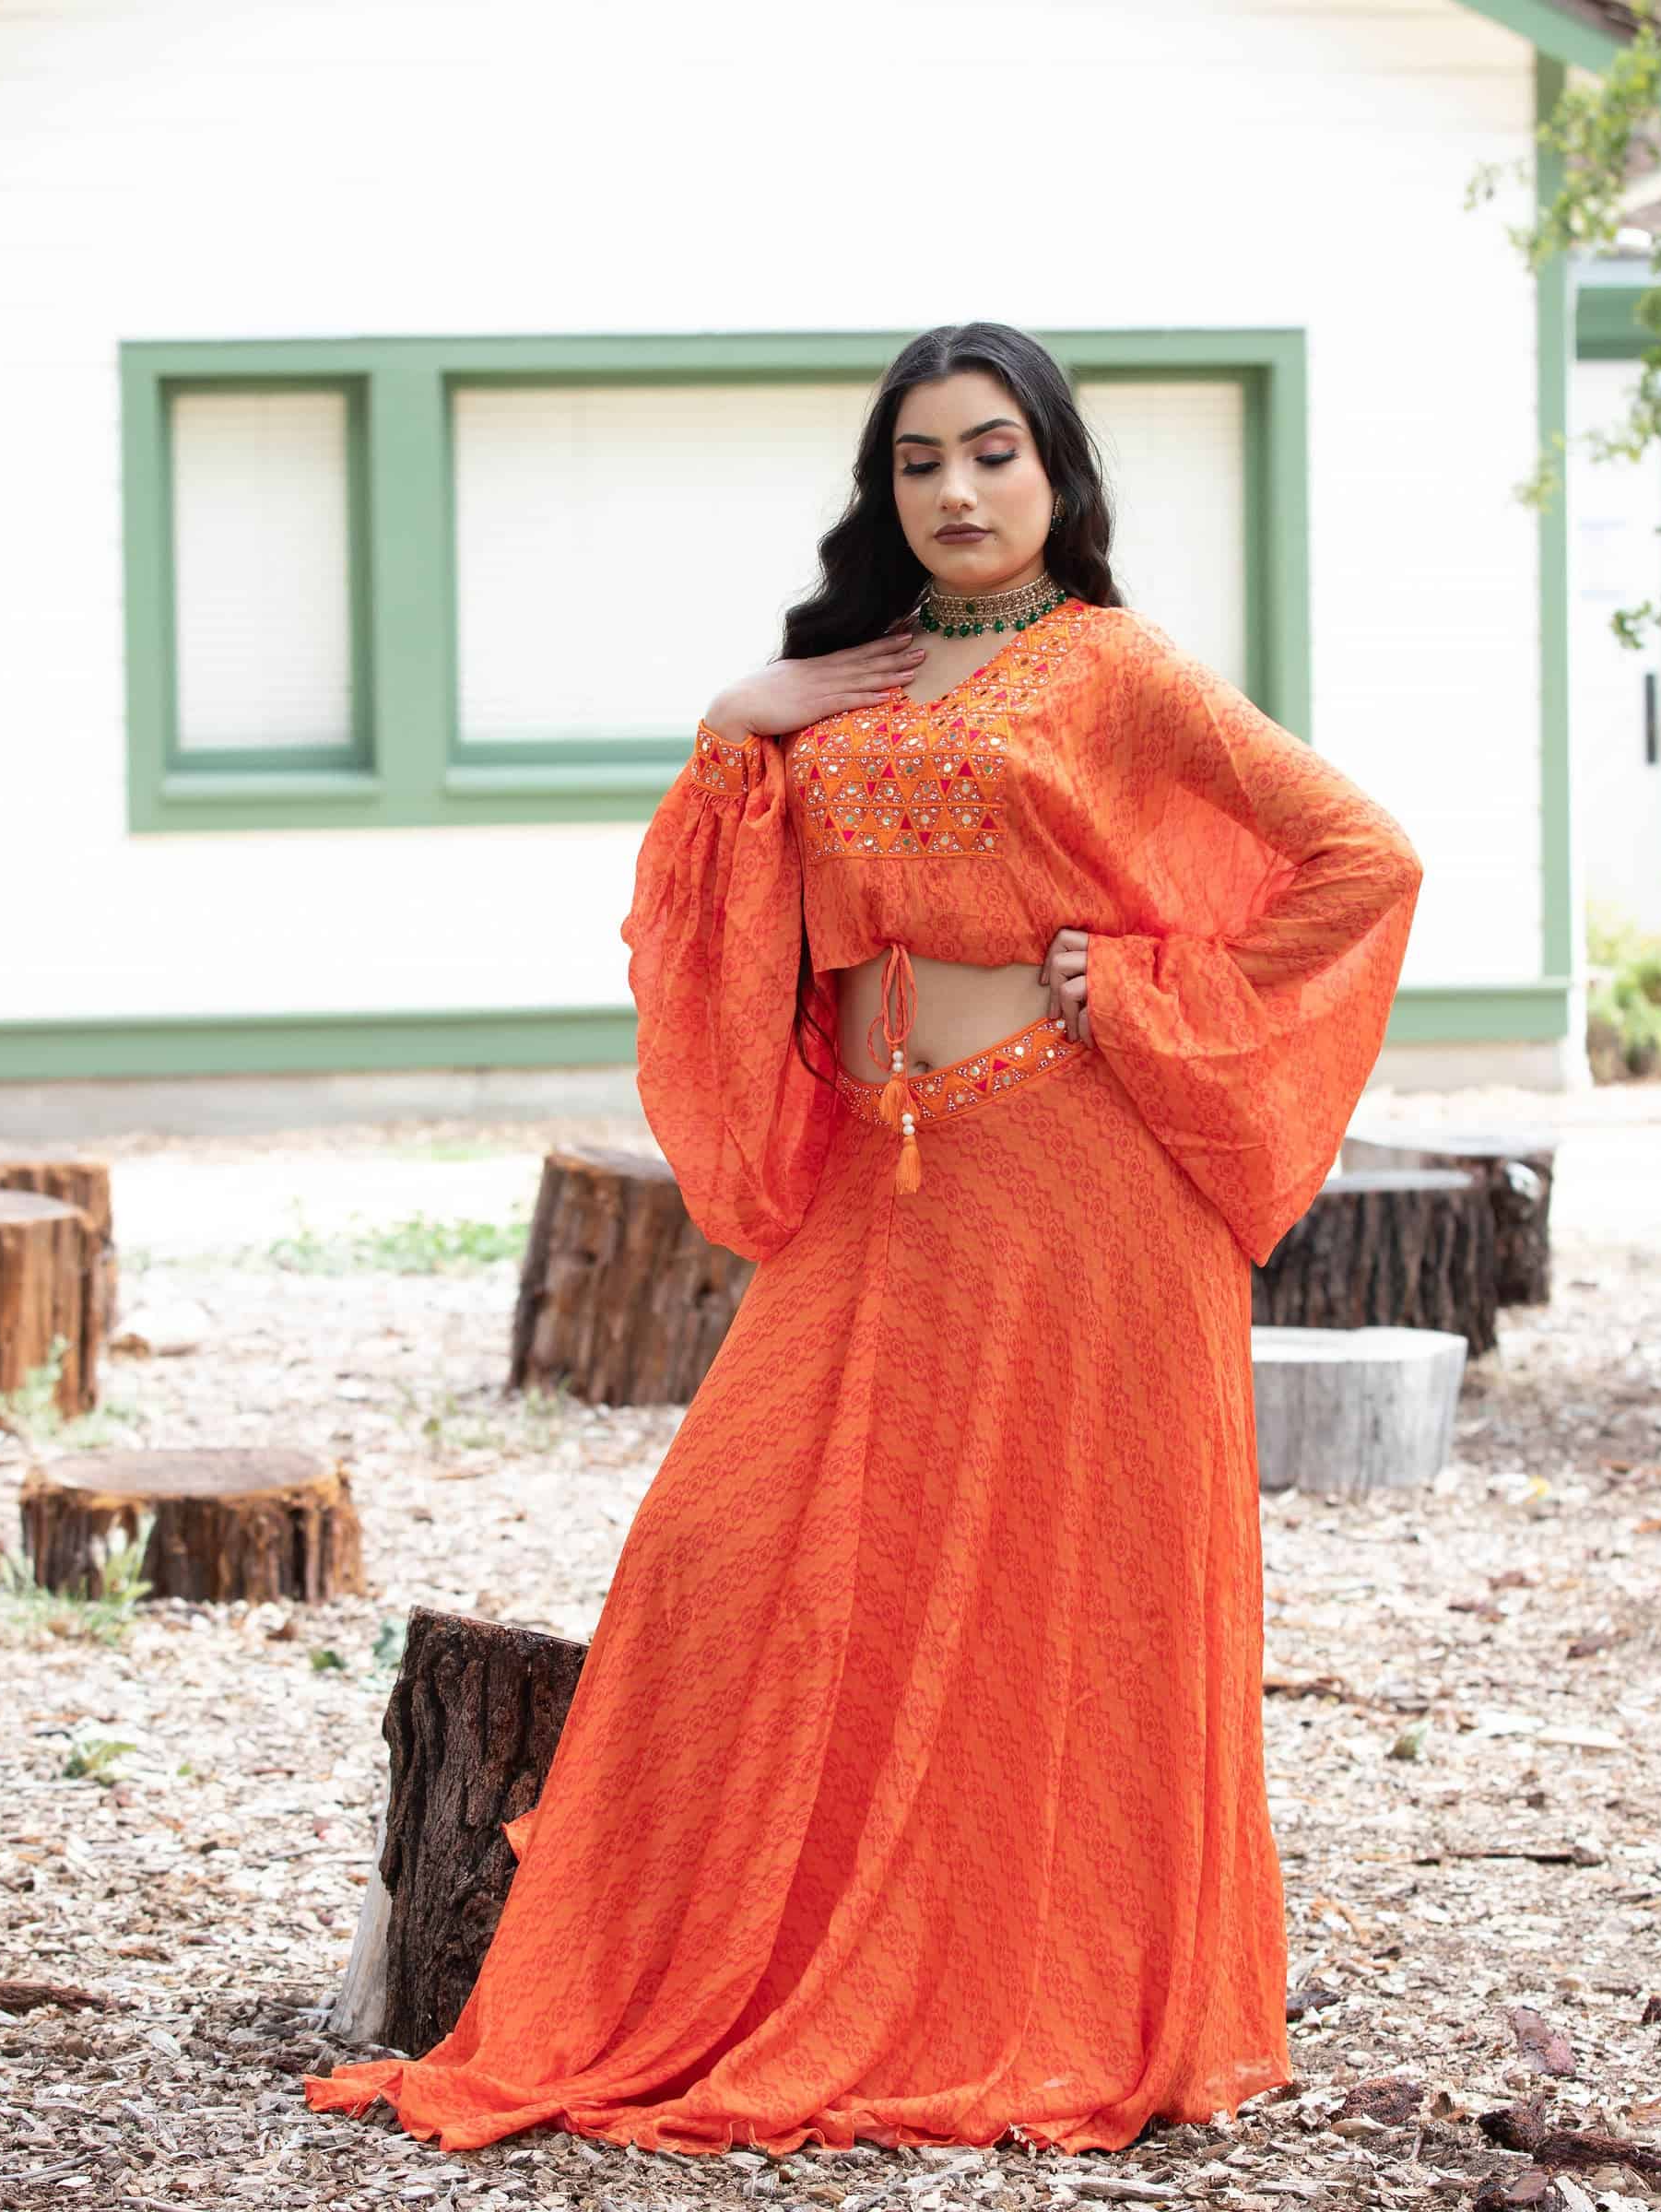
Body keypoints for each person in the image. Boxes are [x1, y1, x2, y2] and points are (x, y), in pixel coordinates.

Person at [309, 322, 1422, 2159]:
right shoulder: (847, 673)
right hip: (881, 1188)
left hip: (1078, 1187)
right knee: (730, 1557)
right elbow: (728, 924)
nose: (959, 491)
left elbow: (1361, 861)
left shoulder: (1117, 667)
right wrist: (747, 724)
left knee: (1054, 1599)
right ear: (882, 488)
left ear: (1056, 471)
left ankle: (1025, 1987)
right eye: (920, 462)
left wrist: (1146, 981)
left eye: (994, 453)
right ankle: (739, 1959)